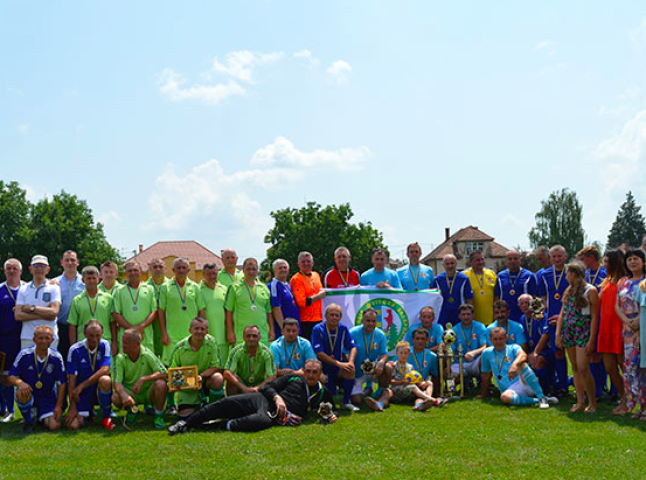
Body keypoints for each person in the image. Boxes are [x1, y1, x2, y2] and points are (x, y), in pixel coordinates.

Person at [168, 358, 336, 434]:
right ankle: (185, 424)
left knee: (259, 422)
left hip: (273, 415)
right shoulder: (293, 377)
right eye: (308, 371)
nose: (311, 375)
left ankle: (212, 427)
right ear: (303, 371)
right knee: (226, 403)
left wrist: (330, 416)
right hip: (263, 400)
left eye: (315, 372)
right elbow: (268, 387)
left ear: (320, 373)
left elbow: (329, 409)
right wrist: (277, 398)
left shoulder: (322, 391)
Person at [555, 261, 599, 413]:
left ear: (573, 274)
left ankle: (592, 402)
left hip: (583, 330)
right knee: (574, 367)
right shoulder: (569, 290)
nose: (566, 276)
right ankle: (580, 401)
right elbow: (562, 313)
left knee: (583, 367)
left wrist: (592, 339)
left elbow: (594, 316)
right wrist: (558, 334)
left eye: (567, 273)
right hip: (569, 331)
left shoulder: (590, 290)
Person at [477, 327, 557, 409]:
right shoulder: (486, 353)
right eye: (495, 339)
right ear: (490, 339)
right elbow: (485, 374)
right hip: (510, 390)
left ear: (506, 338)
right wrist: (484, 393)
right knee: (504, 397)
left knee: (522, 364)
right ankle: (539, 400)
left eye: (501, 338)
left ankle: (541, 396)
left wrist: (514, 365)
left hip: (524, 383)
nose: (498, 342)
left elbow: (523, 355)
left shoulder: (513, 347)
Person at [8, 325, 66, 433]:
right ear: (34, 340)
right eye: (40, 338)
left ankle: (39, 417)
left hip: (47, 398)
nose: (43, 341)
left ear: (52, 340)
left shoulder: (57, 357)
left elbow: (61, 383)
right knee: (21, 392)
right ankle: (28, 421)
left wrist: (58, 406)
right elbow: (11, 376)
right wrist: (20, 383)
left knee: (54, 426)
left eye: (47, 338)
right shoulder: (24, 354)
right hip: (29, 394)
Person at [112, 328, 168, 430]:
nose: (123, 345)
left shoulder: (147, 354)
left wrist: (143, 379)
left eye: (126, 342)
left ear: (137, 345)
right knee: (116, 397)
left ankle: (158, 416)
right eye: (123, 341)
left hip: (148, 392)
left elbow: (164, 373)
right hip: (131, 393)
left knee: (161, 384)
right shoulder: (120, 358)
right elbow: (117, 382)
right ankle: (132, 411)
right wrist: (124, 395)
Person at [169, 317, 225, 418]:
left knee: (218, 378)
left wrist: (200, 377)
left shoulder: (212, 343)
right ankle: (195, 402)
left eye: (202, 329)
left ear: (207, 331)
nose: (199, 331)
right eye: (196, 328)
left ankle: (212, 409)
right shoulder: (180, 347)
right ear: (190, 330)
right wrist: (179, 384)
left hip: (204, 381)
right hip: (187, 386)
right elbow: (173, 371)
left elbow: (216, 366)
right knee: (186, 417)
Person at [65, 320, 115, 430]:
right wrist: (72, 407)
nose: (94, 339)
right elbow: (71, 380)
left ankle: (106, 416)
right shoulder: (74, 350)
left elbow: (105, 369)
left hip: (95, 388)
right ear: (85, 334)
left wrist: (82, 385)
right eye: (91, 336)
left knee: (105, 380)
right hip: (80, 394)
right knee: (73, 425)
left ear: (102, 334)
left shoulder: (105, 344)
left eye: (97, 335)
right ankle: (87, 413)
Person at [616, 249, 646, 418]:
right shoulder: (623, 282)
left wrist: (639, 322)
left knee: (643, 369)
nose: (632, 262)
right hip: (627, 330)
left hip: (643, 327)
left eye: (636, 259)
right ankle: (637, 405)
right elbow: (617, 306)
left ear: (643, 262)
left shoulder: (645, 282)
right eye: (629, 259)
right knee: (629, 369)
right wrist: (628, 322)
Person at [597, 250, 627, 414]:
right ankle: (625, 398)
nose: (604, 264)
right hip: (605, 329)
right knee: (610, 367)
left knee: (625, 367)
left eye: (607, 261)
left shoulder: (625, 281)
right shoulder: (606, 281)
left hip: (620, 328)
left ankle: (629, 401)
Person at [159, 257, 206, 364]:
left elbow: (201, 310)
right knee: (172, 366)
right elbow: (161, 311)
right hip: (172, 335)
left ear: (188, 270)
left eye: (184, 268)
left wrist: (201, 331)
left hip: (191, 334)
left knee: (190, 364)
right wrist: (164, 333)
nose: (181, 270)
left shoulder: (195, 287)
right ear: (173, 270)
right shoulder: (165, 287)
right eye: (178, 268)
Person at [311, 304, 357, 411]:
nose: (334, 317)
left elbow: (353, 347)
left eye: (337, 315)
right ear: (326, 316)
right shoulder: (318, 329)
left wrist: (350, 362)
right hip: (322, 367)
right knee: (328, 392)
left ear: (340, 317)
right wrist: (338, 363)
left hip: (336, 367)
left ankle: (346, 402)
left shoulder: (343, 328)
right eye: (331, 315)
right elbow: (319, 353)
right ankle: (317, 402)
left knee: (350, 370)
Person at [578, 245, 608, 401]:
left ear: (590, 258)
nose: (581, 262)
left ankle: (609, 389)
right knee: (594, 355)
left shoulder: (605, 272)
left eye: (583, 259)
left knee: (606, 355)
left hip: (603, 317)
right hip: (587, 319)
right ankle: (597, 390)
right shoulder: (586, 274)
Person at [539, 245, 570, 396]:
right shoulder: (544, 275)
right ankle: (562, 386)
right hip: (552, 320)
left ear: (565, 256)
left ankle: (580, 386)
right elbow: (544, 297)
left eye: (559, 256)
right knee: (558, 352)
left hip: (570, 319)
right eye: (554, 257)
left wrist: (564, 316)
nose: (557, 259)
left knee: (574, 355)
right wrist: (546, 311)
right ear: (550, 258)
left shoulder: (571, 272)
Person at [15, 255, 61, 350]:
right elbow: (18, 315)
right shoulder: (23, 289)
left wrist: (32, 308)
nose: (39, 269)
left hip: (50, 337)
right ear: (30, 269)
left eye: (43, 266)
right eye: (36, 265)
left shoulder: (54, 288)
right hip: (28, 336)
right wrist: (44, 314)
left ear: (48, 269)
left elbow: (54, 312)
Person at [349, 308, 392, 409]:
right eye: (368, 321)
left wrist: (381, 363)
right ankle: (365, 390)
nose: (371, 324)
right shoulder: (353, 332)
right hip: (358, 372)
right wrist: (350, 373)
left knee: (388, 367)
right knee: (356, 401)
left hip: (374, 370)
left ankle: (379, 392)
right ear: (362, 320)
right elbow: (345, 354)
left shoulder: (380, 334)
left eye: (373, 321)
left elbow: (384, 354)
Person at [112, 261, 158, 356]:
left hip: (145, 335)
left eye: (135, 270)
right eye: (130, 271)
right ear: (126, 273)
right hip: (126, 336)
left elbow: (154, 312)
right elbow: (116, 313)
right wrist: (132, 330)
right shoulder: (119, 291)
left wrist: (141, 327)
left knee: (147, 364)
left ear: (141, 271)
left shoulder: (149, 289)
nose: (133, 273)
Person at [225, 258, 274, 346]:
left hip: (262, 337)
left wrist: (272, 330)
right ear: (243, 270)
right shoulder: (234, 288)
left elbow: (269, 312)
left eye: (253, 269)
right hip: (241, 337)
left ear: (257, 270)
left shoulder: (264, 288)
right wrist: (230, 332)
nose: (251, 272)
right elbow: (229, 311)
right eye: (248, 269)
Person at [0, 258, 24, 422]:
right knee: (5, 374)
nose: (12, 271)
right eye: (9, 268)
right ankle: (8, 410)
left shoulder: (28, 288)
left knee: (27, 373)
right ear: (4, 271)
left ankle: (29, 410)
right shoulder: (0, 289)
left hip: (26, 337)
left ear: (21, 271)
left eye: (15, 268)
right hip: (5, 338)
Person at [388, 341, 446, 411]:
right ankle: (433, 400)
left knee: (429, 383)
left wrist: (420, 383)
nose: (403, 355)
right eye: (401, 353)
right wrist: (402, 382)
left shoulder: (410, 366)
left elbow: (414, 380)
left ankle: (421, 404)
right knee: (414, 387)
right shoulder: (394, 366)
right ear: (397, 353)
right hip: (397, 390)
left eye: (405, 353)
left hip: (409, 389)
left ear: (409, 354)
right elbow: (390, 382)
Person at [68, 266, 115, 345]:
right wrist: (74, 346)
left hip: (105, 341)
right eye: (88, 278)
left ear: (98, 279)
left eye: (94, 278)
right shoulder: (77, 300)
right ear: (83, 280)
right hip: (83, 342)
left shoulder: (108, 298)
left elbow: (112, 322)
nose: (91, 281)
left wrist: (114, 343)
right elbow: (72, 325)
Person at [223, 325, 277, 396]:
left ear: (259, 337)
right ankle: (233, 405)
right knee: (230, 381)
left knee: (272, 382)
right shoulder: (236, 351)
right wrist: (244, 388)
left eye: (254, 336)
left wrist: (257, 388)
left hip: (259, 386)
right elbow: (227, 373)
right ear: (243, 337)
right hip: (241, 385)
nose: (251, 339)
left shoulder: (266, 352)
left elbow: (272, 376)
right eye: (248, 336)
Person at [517, 294, 553, 394]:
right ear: (519, 306)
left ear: (533, 304)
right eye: (522, 303)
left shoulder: (540, 315)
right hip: (532, 351)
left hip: (547, 350)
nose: (525, 305)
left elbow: (545, 336)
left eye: (527, 303)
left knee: (538, 361)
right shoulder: (522, 319)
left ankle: (547, 390)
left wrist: (535, 352)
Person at [54, 250, 86, 360]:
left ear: (77, 262)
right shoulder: (54, 283)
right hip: (61, 327)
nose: (70, 263)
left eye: (72, 260)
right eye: (66, 260)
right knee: (61, 358)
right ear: (61, 263)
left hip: (80, 328)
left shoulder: (85, 282)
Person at [290, 252, 326, 340]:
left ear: (312, 263)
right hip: (306, 321)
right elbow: (302, 302)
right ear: (298, 264)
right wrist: (318, 296)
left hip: (320, 319)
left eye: (308, 261)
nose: (306, 264)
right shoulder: (296, 279)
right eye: (303, 262)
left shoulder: (316, 275)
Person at [494, 250, 537, 322]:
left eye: (515, 258)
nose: (513, 261)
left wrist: (536, 314)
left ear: (520, 260)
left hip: (524, 316)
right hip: (505, 316)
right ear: (506, 261)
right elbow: (497, 297)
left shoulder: (529, 275)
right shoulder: (500, 276)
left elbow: (535, 297)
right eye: (510, 259)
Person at [432, 254, 473, 327]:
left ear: (456, 263)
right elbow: (433, 299)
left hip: (460, 315)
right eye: (447, 264)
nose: (450, 266)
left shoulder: (464, 279)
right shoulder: (437, 280)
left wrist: (469, 316)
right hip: (443, 315)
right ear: (443, 265)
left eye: (452, 263)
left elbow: (469, 299)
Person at [449, 304, 488, 381]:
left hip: (475, 362)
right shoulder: (454, 330)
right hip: (460, 363)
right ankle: (460, 384)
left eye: (468, 314)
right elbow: (451, 350)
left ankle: (484, 384)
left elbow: (485, 346)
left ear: (473, 315)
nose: (466, 317)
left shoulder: (480, 327)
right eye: (463, 314)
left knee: (487, 355)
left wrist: (474, 353)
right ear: (459, 316)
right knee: (448, 371)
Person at [199, 262, 230, 360]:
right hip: (207, 337)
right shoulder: (198, 290)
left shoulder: (224, 289)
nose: (212, 276)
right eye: (209, 274)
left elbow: (228, 311)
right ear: (203, 275)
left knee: (222, 366)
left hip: (223, 336)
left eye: (214, 273)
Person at [463, 250, 496, 326]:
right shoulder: (465, 275)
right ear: (470, 262)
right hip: (473, 320)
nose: (481, 262)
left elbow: (497, 296)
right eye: (477, 260)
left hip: (491, 319)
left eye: (482, 259)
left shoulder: (491, 273)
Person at [269, 259, 300, 338]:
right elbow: (276, 308)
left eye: (285, 267)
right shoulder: (274, 285)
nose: (283, 270)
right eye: (280, 268)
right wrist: (283, 328)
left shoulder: (288, 284)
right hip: (285, 331)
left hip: (294, 328)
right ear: (274, 270)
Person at [147, 258, 170, 357]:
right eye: (155, 267)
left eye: (160, 267)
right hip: (151, 324)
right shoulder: (144, 287)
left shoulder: (172, 285)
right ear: (150, 269)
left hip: (168, 323)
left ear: (165, 269)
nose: (158, 269)